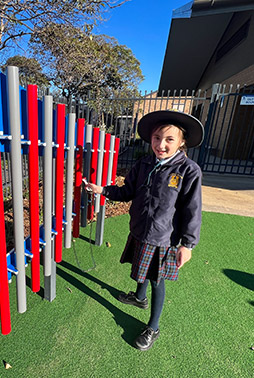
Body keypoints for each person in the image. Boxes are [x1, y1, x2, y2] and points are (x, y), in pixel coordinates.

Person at [83, 110, 202, 352]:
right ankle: (139, 298)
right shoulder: (144, 163)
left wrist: (187, 244)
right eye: (157, 138)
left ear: (181, 142)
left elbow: (193, 210)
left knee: (156, 279)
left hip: (163, 237)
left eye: (169, 139)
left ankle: (153, 327)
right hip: (139, 228)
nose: (161, 144)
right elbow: (127, 191)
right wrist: (102, 190)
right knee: (141, 267)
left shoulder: (188, 171)